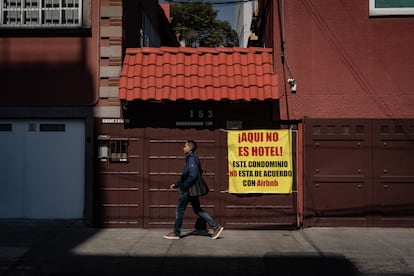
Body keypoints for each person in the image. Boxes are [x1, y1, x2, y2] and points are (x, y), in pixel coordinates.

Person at [163, 140, 224, 240]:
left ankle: (176, 233)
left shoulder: (192, 159)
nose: (183, 147)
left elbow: (193, 176)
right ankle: (216, 227)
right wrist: (177, 184)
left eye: (185, 146)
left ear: (190, 148)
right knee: (197, 210)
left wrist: (183, 187)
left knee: (180, 210)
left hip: (188, 190)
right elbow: (186, 176)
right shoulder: (190, 159)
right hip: (191, 190)